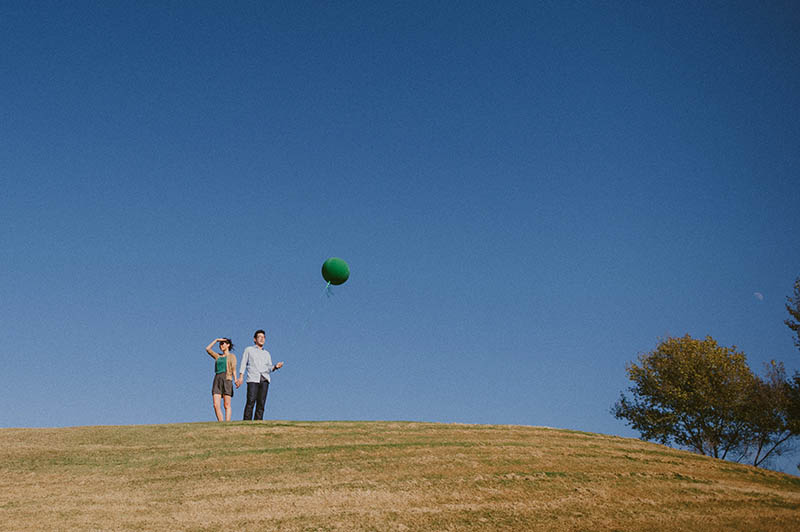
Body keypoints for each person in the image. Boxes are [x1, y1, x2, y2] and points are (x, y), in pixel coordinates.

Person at [237, 329, 284, 420]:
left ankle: (258, 423)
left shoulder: (267, 353)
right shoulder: (249, 350)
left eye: (263, 337)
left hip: (264, 380)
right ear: (255, 339)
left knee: (261, 403)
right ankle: (246, 423)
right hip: (253, 379)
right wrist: (241, 377)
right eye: (260, 337)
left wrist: (276, 367)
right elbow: (243, 363)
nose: (262, 339)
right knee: (251, 401)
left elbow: (269, 368)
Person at [205, 337, 237, 421]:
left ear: (228, 345)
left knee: (226, 404)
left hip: (227, 378)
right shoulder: (218, 356)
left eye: (223, 343)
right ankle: (221, 422)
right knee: (216, 404)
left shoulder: (232, 356)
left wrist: (236, 379)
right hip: (217, 378)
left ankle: (227, 422)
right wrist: (216, 340)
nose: (221, 345)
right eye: (220, 344)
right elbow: (208, 349)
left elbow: (233, 369)